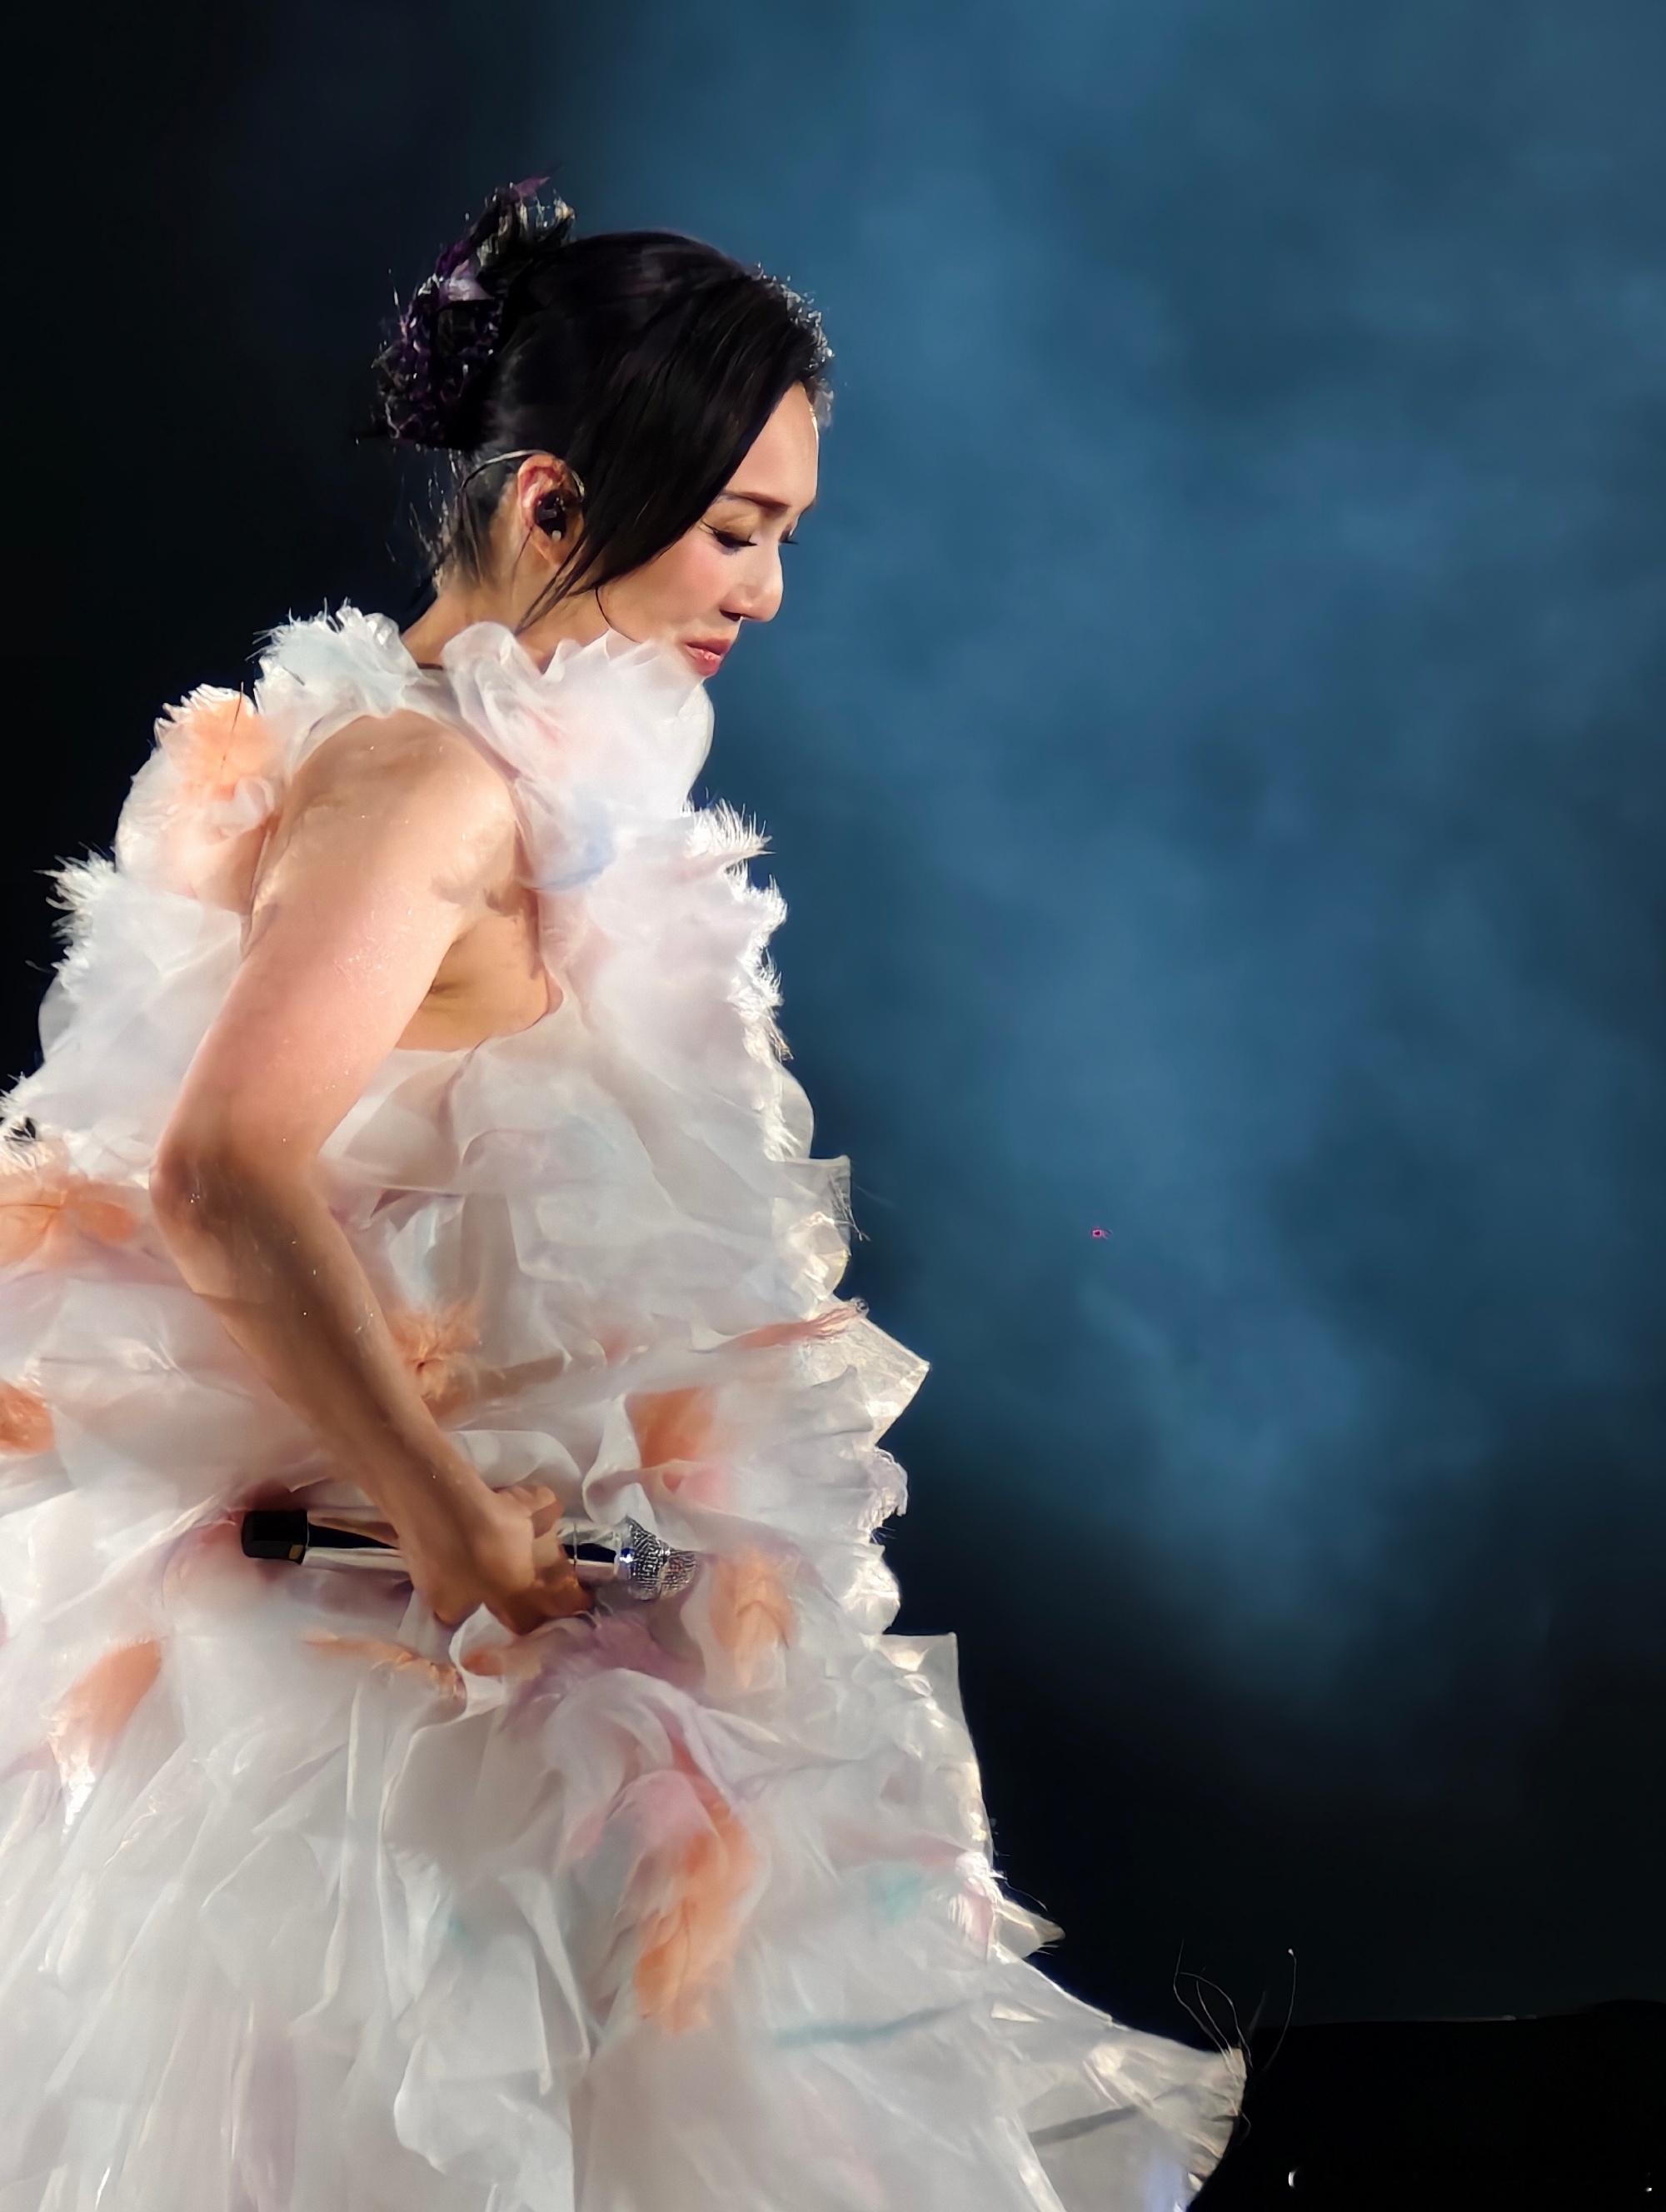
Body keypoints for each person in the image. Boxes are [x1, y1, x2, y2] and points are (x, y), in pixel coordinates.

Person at [0, 177, 1243, 2208]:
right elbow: (224, 1171)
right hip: (417, 1679)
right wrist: (443, 1510)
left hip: (525, 1627)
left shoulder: (525, 777)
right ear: (555, 501)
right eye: (737, 529)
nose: (767, 590)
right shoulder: (424, 782)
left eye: (785, 535)